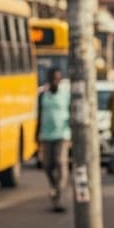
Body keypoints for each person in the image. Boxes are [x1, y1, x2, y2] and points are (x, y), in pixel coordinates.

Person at [36, 67, 70, 212]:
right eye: (53, 78)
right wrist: (36, 134)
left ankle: (59, 195)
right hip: (46, 135)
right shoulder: (43, 95)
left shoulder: (65, 95)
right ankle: (54, 185)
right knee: (47, 165)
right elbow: (39, 115)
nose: (56, 81)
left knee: (60, 163)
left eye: (58, 78)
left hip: (62, 135)